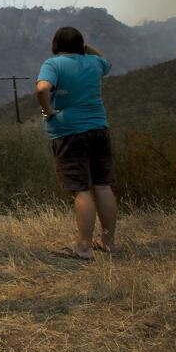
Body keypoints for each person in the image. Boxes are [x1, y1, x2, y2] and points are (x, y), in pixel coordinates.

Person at [35, 26, 117, 261]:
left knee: (81, 190)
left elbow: (42, 88)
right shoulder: (94, 63)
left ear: (55, 44)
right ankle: (108, 242)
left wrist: (47, 110)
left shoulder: (53, 64)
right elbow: (106, 61)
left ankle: (83, 247)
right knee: (103, 185)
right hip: (99, 129)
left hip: (70, 133)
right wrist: (85, 47)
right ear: (81, 46)